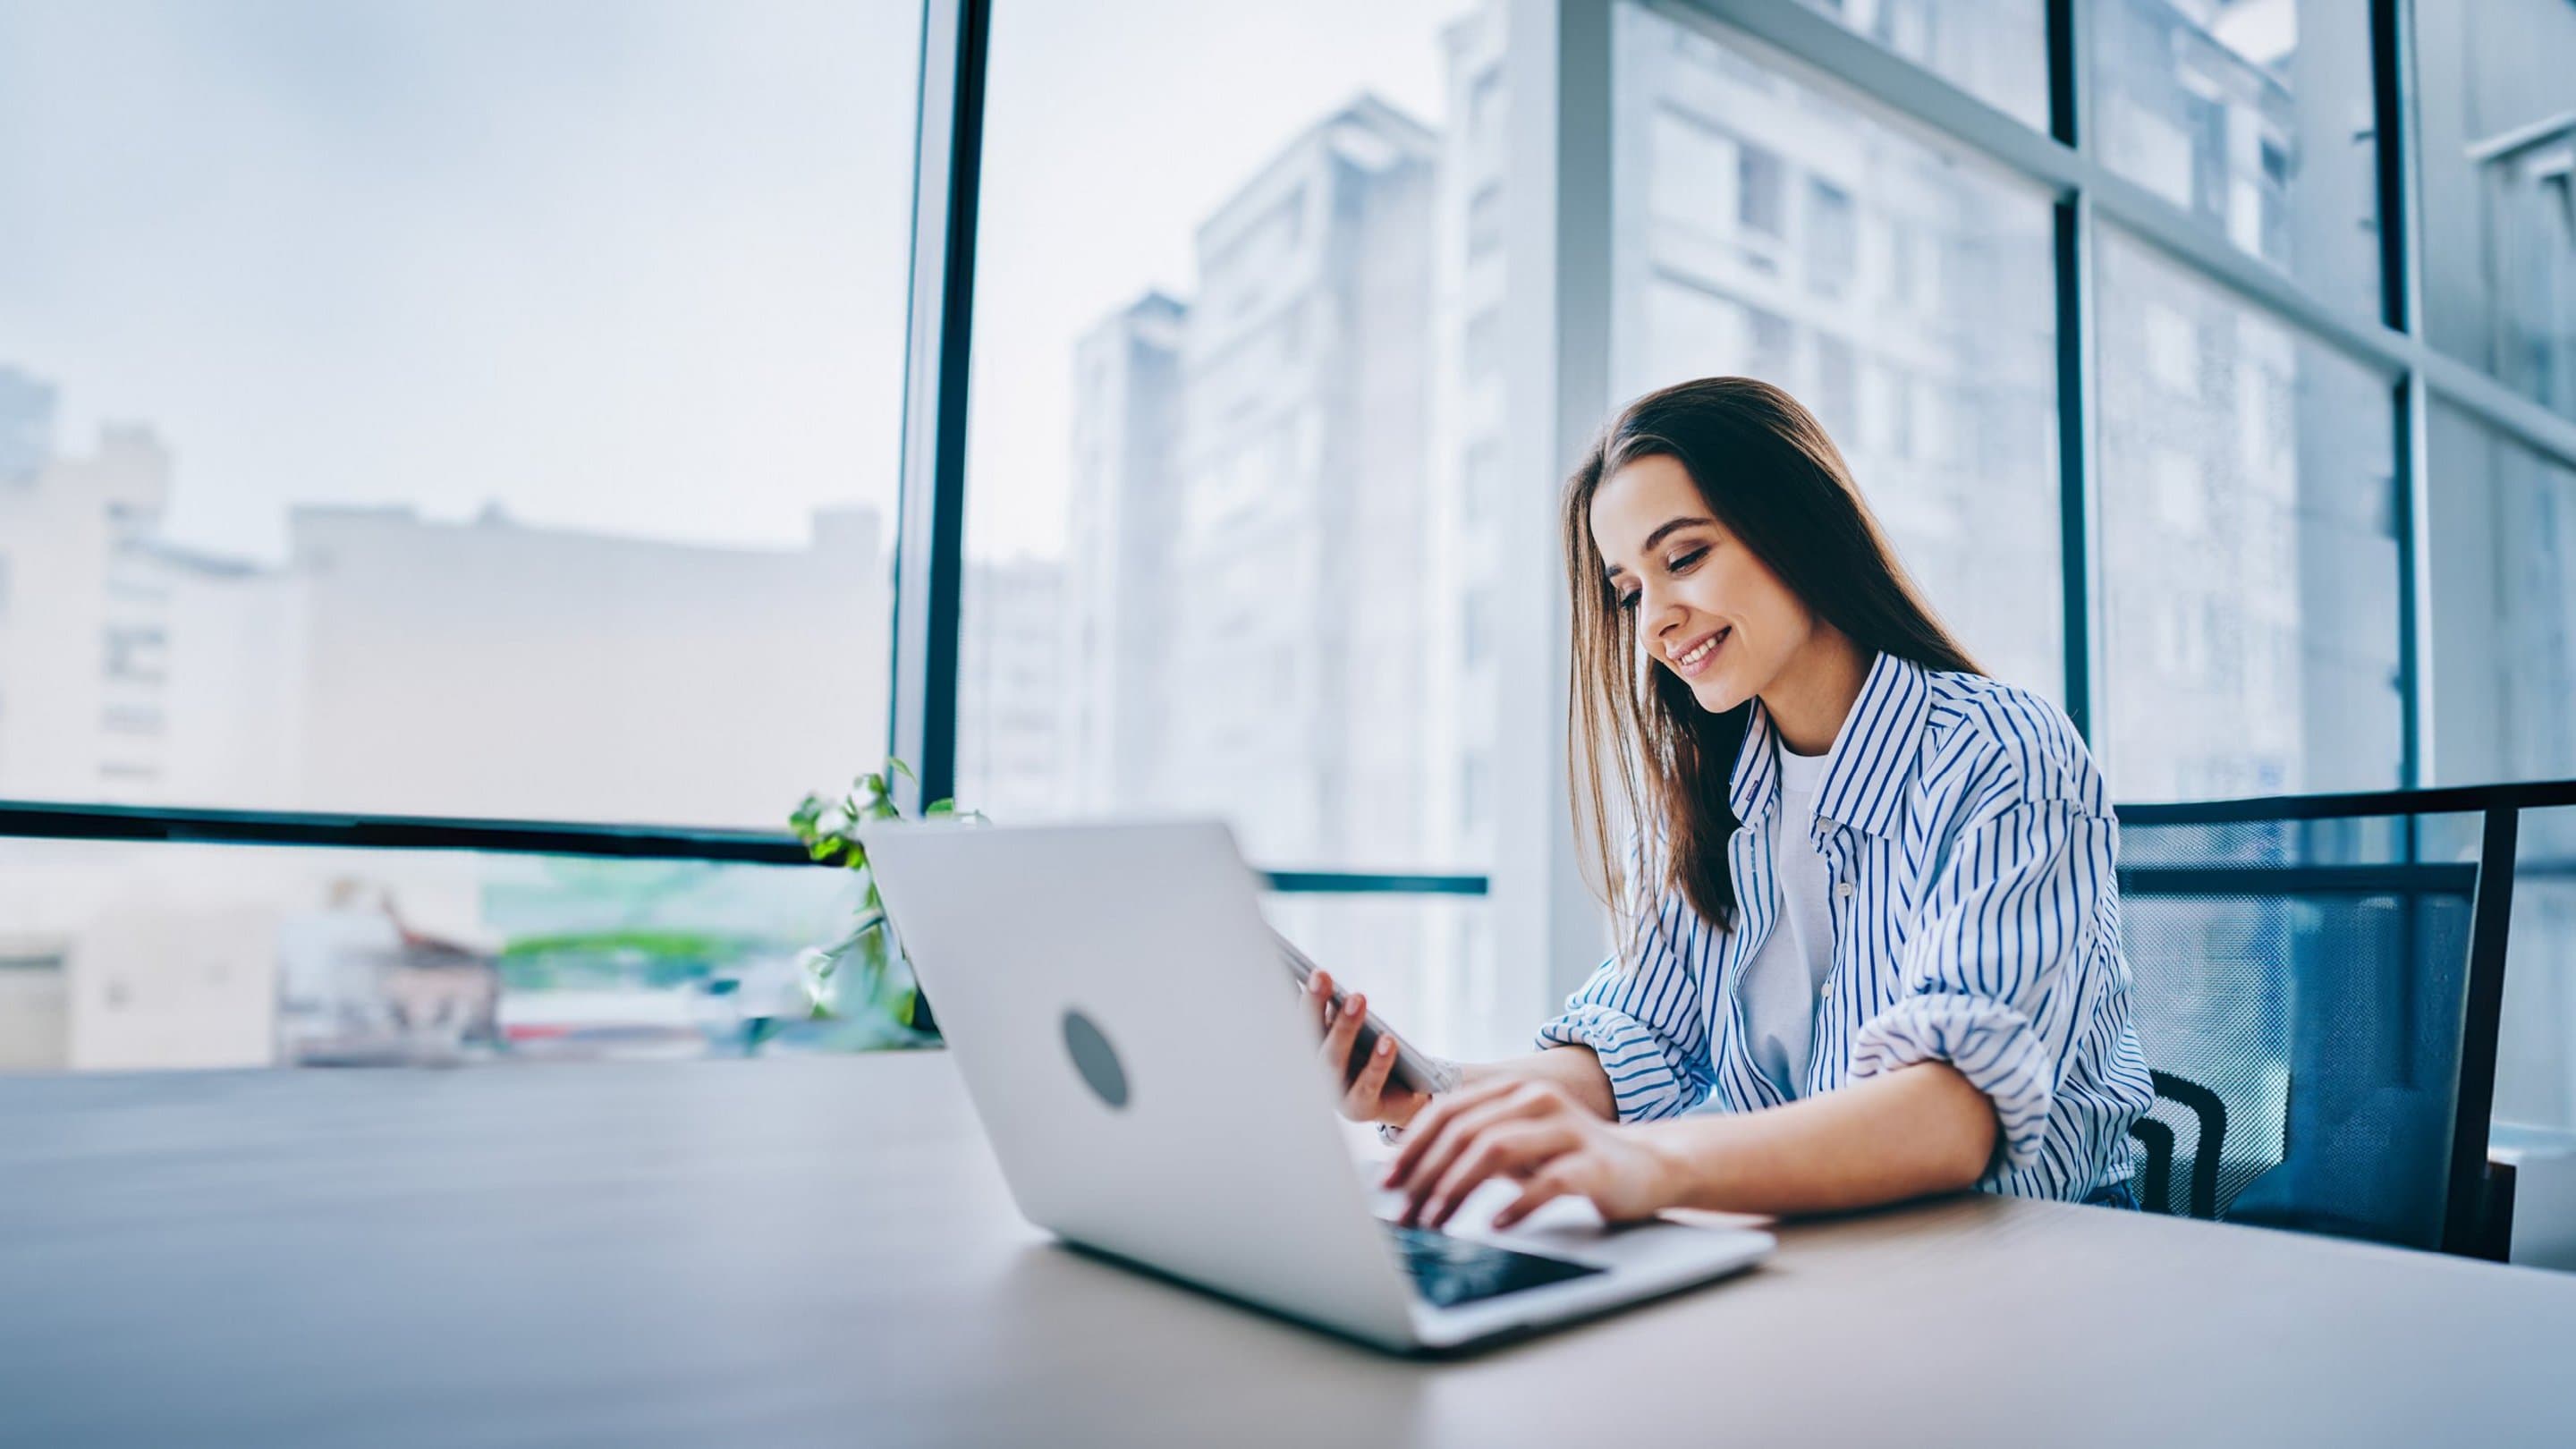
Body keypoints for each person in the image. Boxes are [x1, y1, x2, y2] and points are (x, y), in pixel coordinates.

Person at [1307, 377, 2152, 1232]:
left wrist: (1643, 1166)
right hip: (1814, 1254)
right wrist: (1428, 1090)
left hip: (2020, 1260)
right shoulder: (1716, 795)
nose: (1654, 626)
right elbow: (1634, 1046)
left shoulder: (2003, 753)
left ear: (1798, 527)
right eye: (1630, 591)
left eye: (1683, 559)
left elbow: (1950, 1117)